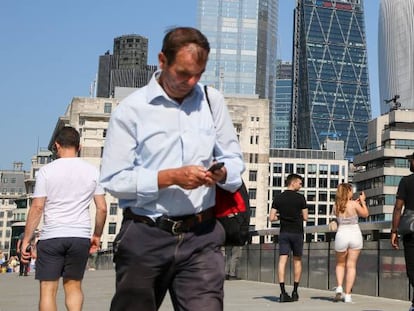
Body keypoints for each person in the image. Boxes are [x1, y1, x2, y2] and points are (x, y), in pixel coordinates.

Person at [100, 27, 244, 311]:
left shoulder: (212, 101)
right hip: (145, 234)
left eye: (199, 74)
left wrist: (222, 173)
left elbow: (234, 158)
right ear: (162, 60)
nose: (191, 82)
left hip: (201, 236)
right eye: (183, 73)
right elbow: (114, 180)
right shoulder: (131, 110)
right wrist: (169, 178)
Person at [20, 126, 107, 311]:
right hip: (79, 235)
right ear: (79, 146)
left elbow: (37, 207)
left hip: (52, 235)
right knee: (74, 286)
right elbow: (102, 208)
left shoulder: (46, 171)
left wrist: (26, 240)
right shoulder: (93, 171)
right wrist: (97, 235)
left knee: (48, 289)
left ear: (57, 145)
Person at [269, 173, 308, 303]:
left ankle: (282, 292)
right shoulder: (301, 198)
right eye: (300, 183)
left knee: (282, 261)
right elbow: (306, 217)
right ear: (293, 182)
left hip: (284, 232)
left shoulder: (278, 198)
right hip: (297, 232)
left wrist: (282, 217)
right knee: (297, 261)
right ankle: (295, 291)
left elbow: (272, 217)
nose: (301, 185)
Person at [332, 183, 369, 303]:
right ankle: (348, 295)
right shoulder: (354, 204)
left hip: (341, 234)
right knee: (351, 265)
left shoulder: (335, 206)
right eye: (351, 190)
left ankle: (339, 286)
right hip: (355, 235)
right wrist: (362, 202)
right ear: (348, 192)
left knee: (340, 264)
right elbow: (365, 214)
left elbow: (337, 216)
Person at [391, 152, 414, 311]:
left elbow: (398, 207)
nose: (409, 162)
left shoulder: (406, 182)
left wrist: (394, 231)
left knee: (412, 270)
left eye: (411, 160)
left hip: (411, 231)